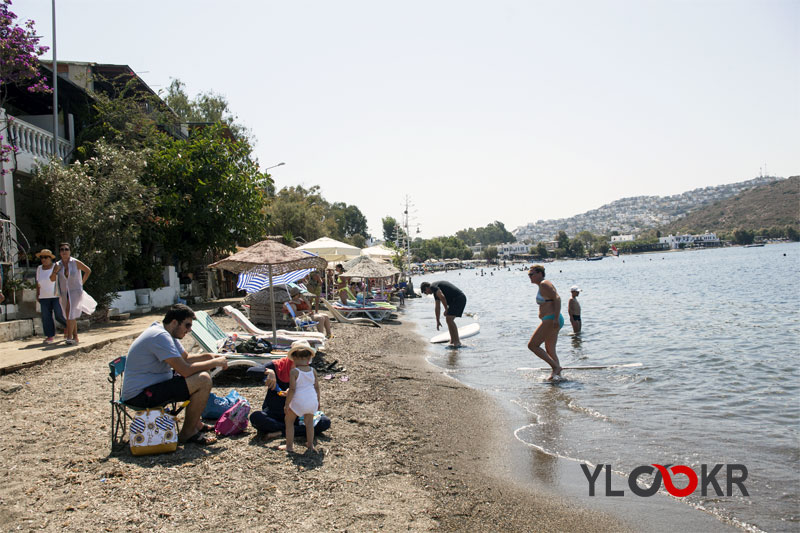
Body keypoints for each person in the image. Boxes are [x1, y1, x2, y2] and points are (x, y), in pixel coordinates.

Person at [122, 304, 228, 445]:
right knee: (202, 379)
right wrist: (216, 363)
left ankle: (197, 425)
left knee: (202, 372)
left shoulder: (165, 332)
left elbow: (186, 357)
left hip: (152, 387)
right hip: (140, 395)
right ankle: (187, 433)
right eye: (187, 325)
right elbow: (184, 369)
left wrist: (213, 356)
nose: (189, 330)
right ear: (174, 322)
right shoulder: (160, 336)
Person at [249, 341, 331, 443]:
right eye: (299, 356)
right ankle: (294, 431)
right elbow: (251, 371)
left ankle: (281, 432)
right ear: (292, 356)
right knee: (256, 417)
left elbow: (314, 389)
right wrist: (268, 371)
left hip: (298, 414)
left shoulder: (307, 369)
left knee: (324, 422)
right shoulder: (277, 366)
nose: (302, 359)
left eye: (305, 356)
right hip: (274, 413)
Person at [49, 243, 96, 345]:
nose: (64, 251)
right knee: (70, 314)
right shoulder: (58, 265)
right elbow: (52, 279)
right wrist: (55, 272)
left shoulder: (75, 262)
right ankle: (75, 337)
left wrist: (81, 283)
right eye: (62, 249)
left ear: (70, 251)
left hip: (75, 291)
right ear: (60, 252)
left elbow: (88, 271)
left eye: (66, 249)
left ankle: (69, 337)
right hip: (64, 292)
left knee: (69, 311)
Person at [280, 341, 321, 453]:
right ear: (309, 358)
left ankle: (289, 446)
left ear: (294, 358)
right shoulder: (313, 371)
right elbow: (317, 387)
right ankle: (310, 445)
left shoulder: (295, 372)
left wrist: (287, 404)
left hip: (299, 400)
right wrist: (318, 401)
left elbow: (292, 389)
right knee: (309, 424)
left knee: (289, 421)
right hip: (311, 400)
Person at [527, 264, 564, 381]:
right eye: (529, 274)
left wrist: (556, 318)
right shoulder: (541, 286)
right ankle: (557, 376)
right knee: (550, 349)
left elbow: (557, 298)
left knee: (532, 345)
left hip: (551, 319)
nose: (529, 276)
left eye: (531, 274)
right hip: (550, 319)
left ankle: (556, 367)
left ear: (539, 273)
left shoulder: (544, 283)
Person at [420, 280, 467, 347]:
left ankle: (457, 342)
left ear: (427, 288)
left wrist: (446, 309)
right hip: (456, 300)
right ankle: (453, 340)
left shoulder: (433, 286)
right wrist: (437, 320)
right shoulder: (435, 292)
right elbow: (437, 307)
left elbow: (442, 297)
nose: (426, 294)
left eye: (425, 292)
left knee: (449, 319)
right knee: (448, 319)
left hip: (459, 298)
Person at [35, 249, 67, 344]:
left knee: (58, 315)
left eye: (45, 257)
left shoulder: (56, 267)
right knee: (46, 317)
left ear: (50, 258)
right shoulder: (39, 268)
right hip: (44, 296)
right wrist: (37, 293)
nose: (43, 259)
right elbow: (37, 282)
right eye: (42, 257)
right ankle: (49, 336)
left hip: (55, 295)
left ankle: (69, 326)